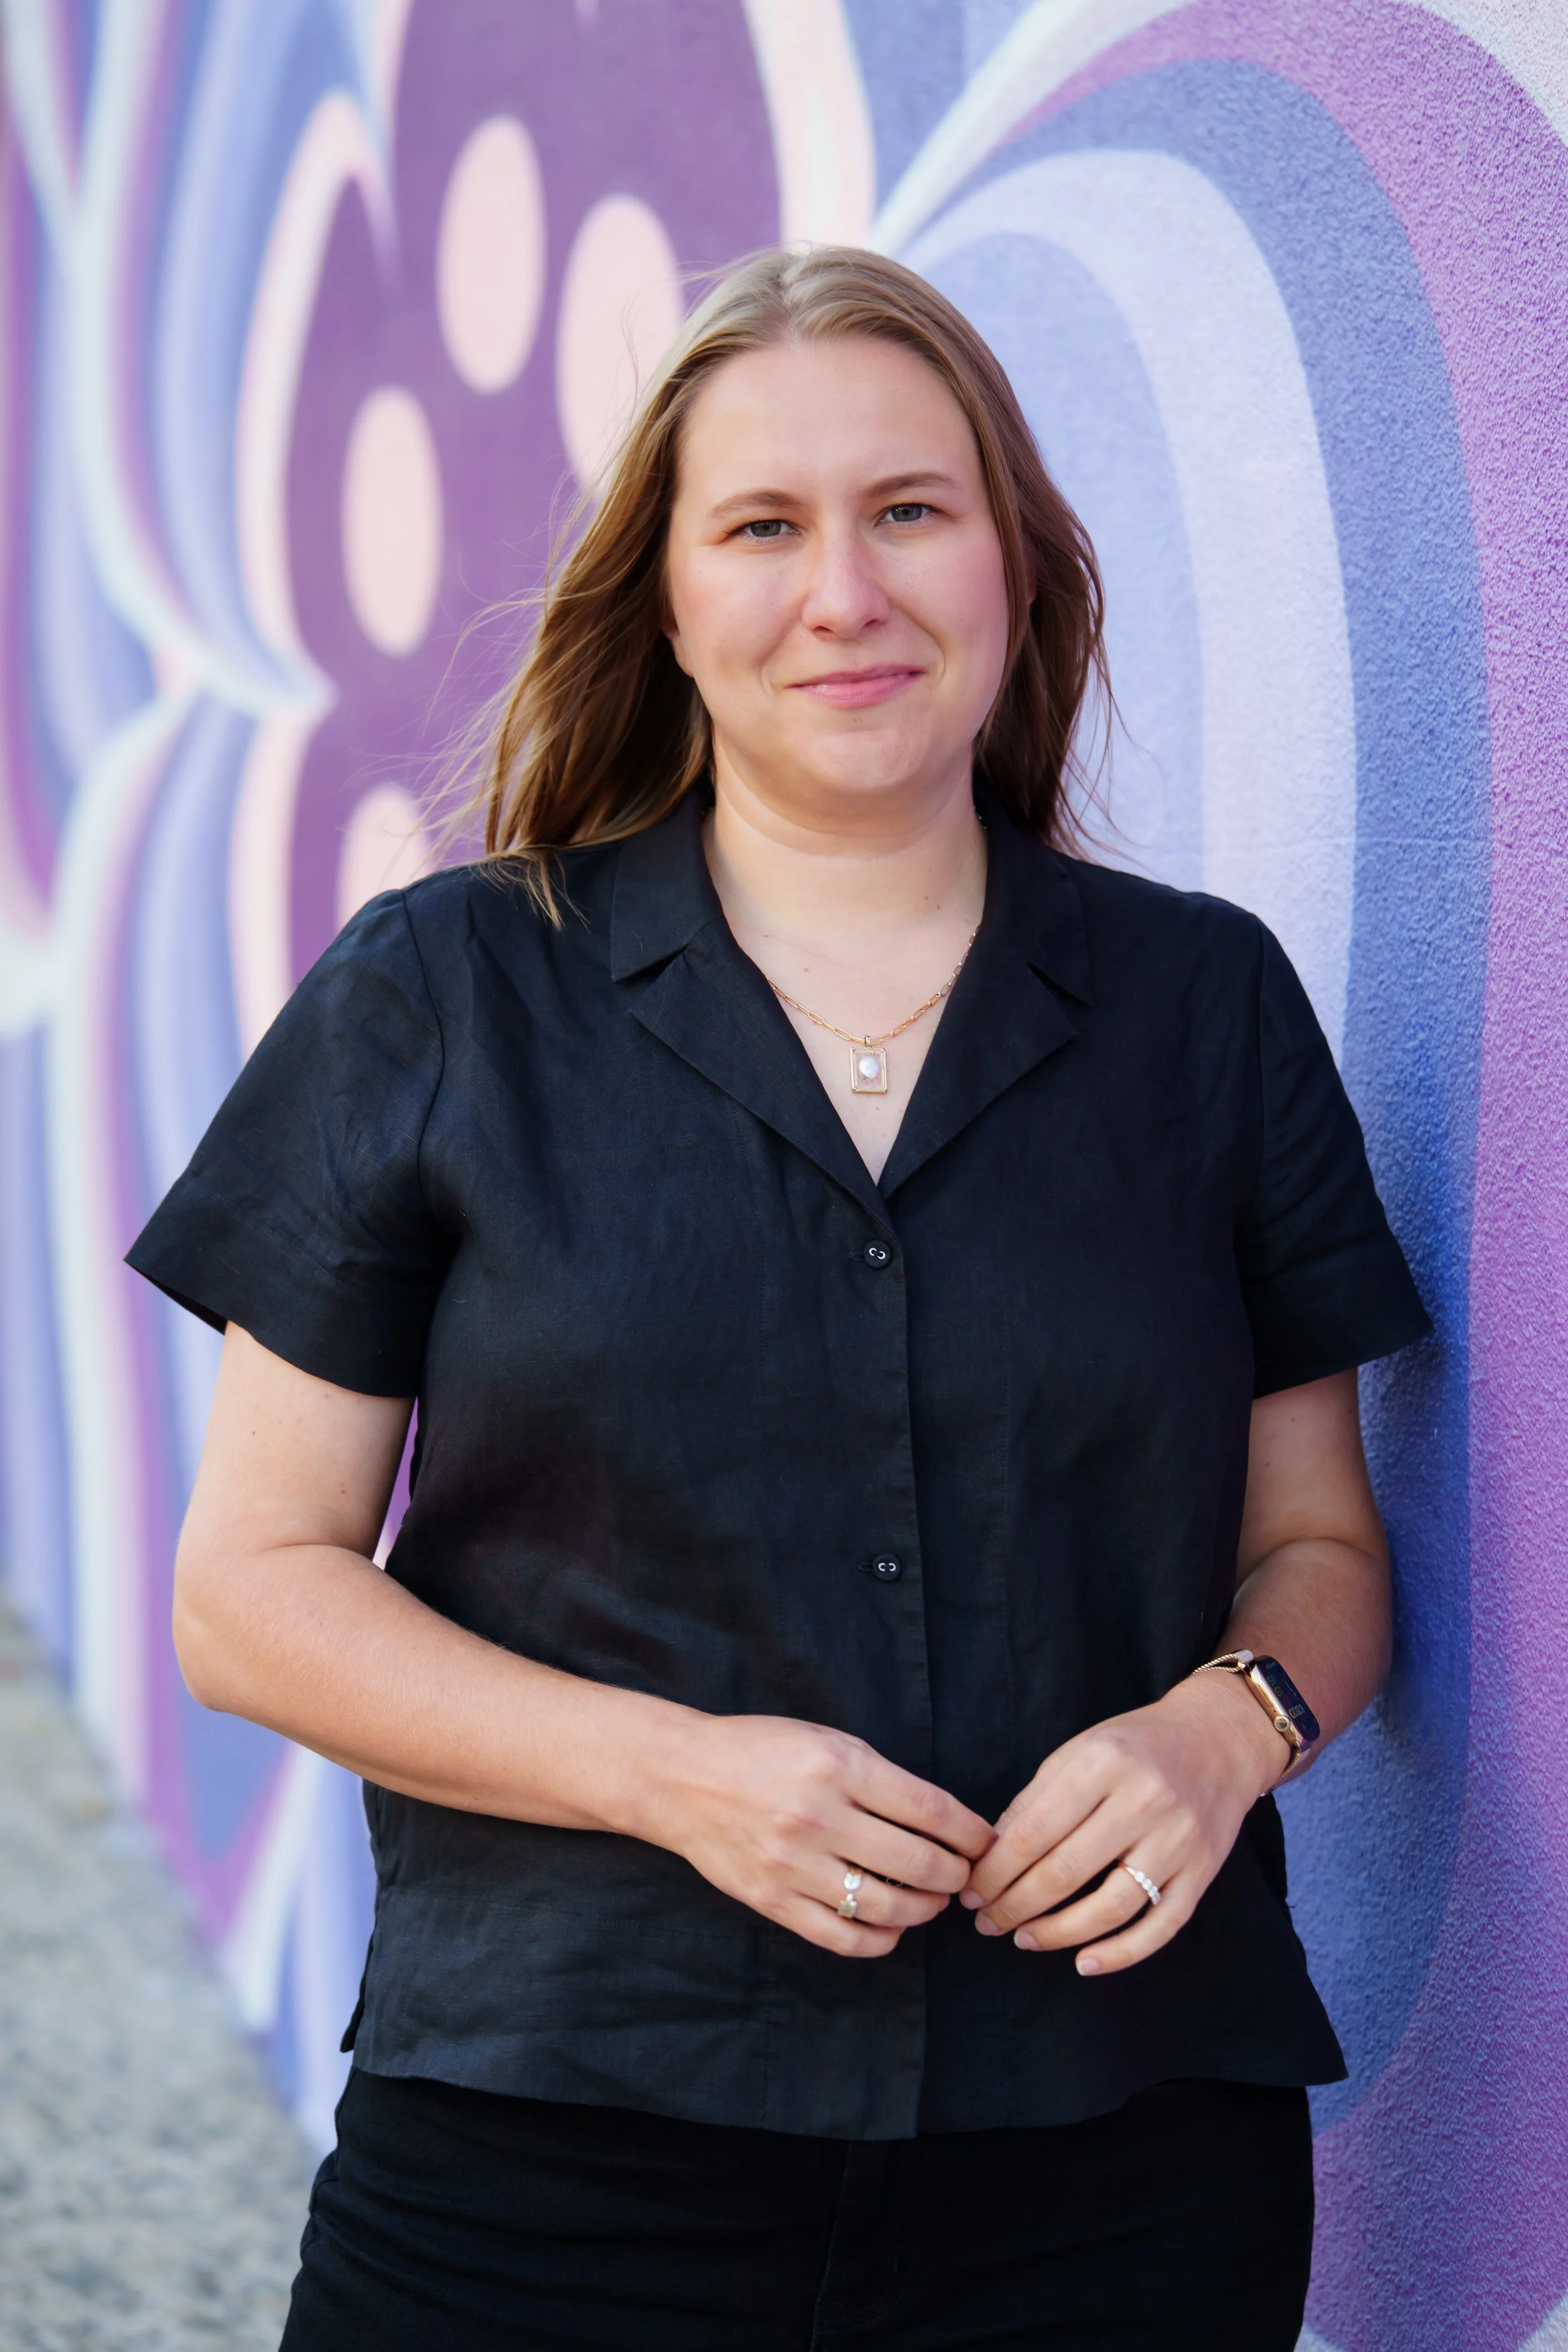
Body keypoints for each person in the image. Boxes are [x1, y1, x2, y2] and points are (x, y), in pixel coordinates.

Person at [129, 246, 1430, 2351]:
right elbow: (250, 1592)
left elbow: (1316, 1545)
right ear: (668, 598)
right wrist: (669, 1770)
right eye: (763, 525)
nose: (846, 590)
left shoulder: (1205, 1008)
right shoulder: (444, 990)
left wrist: (1228, 1727)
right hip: (554, 2143)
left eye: (910, 509)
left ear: (1013, 565)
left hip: (1114, 2157)